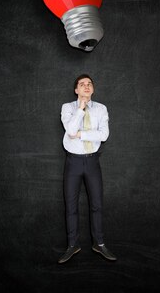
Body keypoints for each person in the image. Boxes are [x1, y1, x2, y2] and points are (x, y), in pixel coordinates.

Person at [57, 74, 117, 263]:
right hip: (73, 162)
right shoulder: (68, 108)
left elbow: (104, 135)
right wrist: (81, 109)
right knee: (71, 206)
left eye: (89, 84)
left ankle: (98, 244)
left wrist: (81, 134)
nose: (86, 86)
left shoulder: (101, 109)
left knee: (97, 205)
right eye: (82, 84)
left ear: (93, 89)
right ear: (76, 90)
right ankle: (72, 245)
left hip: (92, 162)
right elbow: (71, 131)